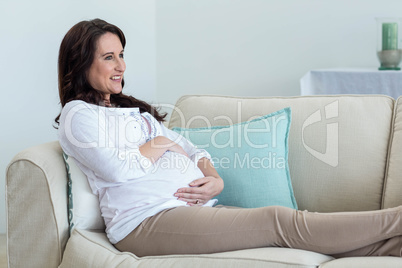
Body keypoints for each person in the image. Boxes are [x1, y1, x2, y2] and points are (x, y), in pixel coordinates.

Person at [56, 18, 402, 258]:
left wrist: (214, 178)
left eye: (122, 55)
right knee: (278, 221)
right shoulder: (78, 115)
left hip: (189, 208)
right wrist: (162, 143)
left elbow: (191, 147)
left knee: (296, 241)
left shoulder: (133, 112)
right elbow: (119, 170)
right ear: (81, 63)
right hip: (146, 221)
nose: (121, 66)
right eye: (109, 57)